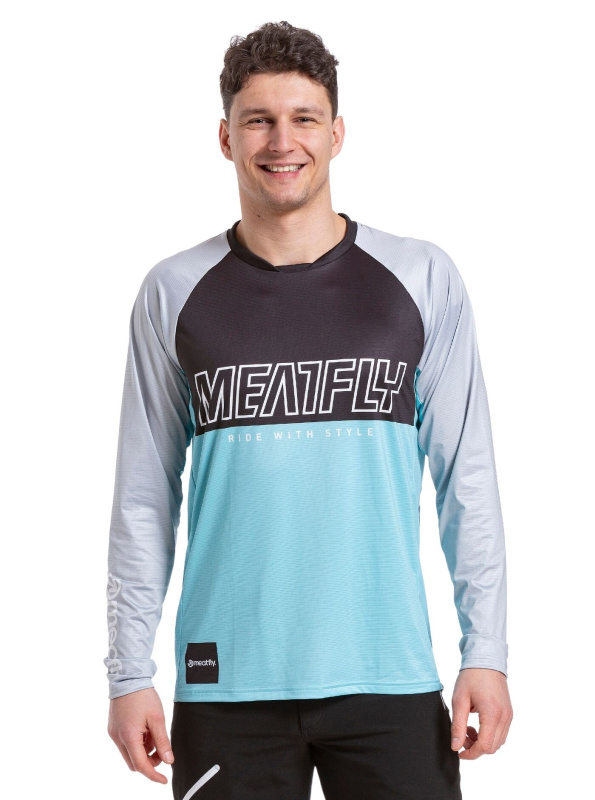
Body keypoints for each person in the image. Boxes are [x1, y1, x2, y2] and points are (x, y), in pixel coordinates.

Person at [105, 20, 513, 800]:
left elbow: (467, 482)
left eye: (302, 118)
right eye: (258, 120)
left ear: (336, 133)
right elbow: (143, 497)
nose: (281, 141)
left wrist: (484, 653)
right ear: (225, 137)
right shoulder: (173, 290)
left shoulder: (420, 277)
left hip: (389, 674)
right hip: (226, 685)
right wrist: (128, 672)